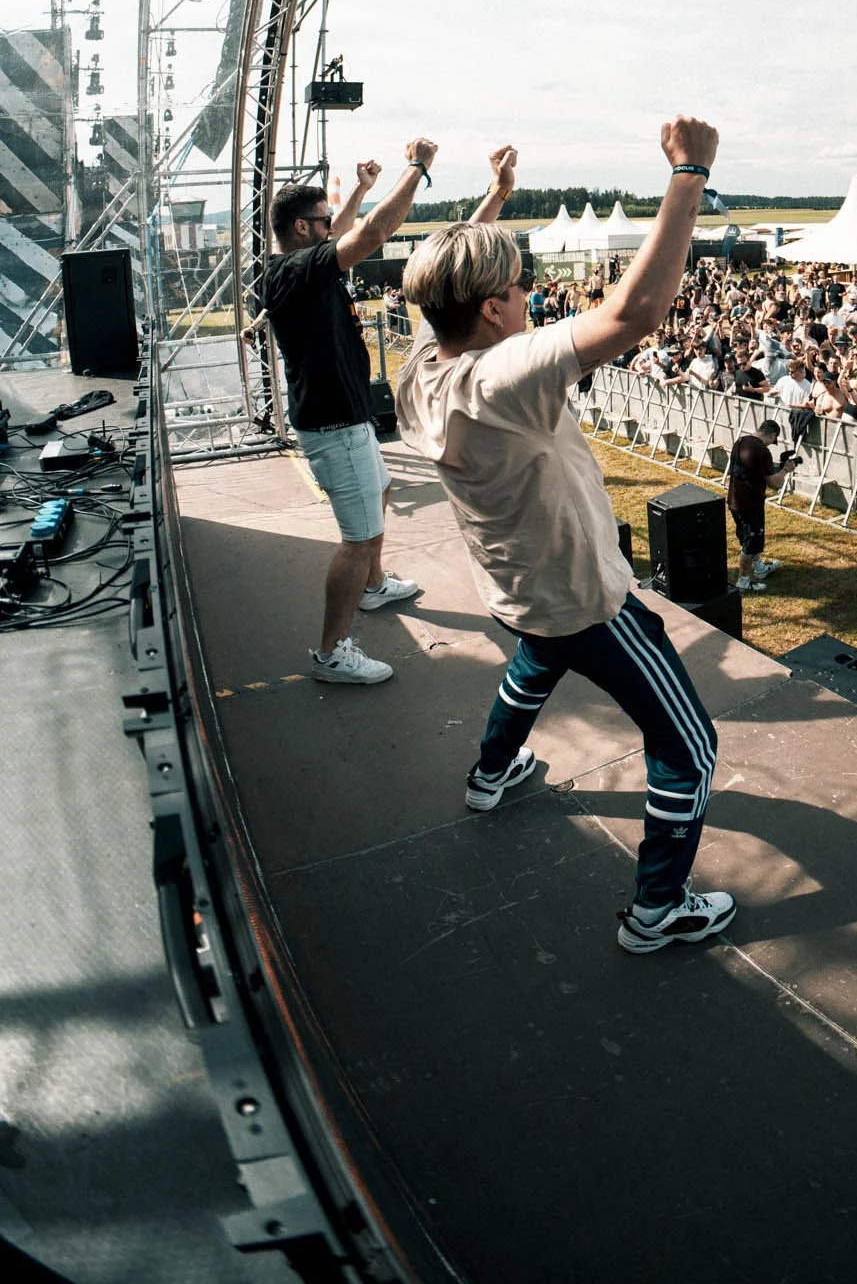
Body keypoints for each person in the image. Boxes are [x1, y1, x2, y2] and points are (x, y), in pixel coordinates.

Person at [395, 116, 735, 958]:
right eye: (520, 288)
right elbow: (635, 311)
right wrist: (689, 172)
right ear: (492, 308)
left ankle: (490, 775)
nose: (529, 296)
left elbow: (444, 289)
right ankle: (658, 909)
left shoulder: (421, 365)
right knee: (690, 748)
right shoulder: (501, 377)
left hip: (517, 590)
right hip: (587, 599)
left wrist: (497, 197)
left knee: (534, 665)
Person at [256, 139, 512, 685]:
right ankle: (332, 652)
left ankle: (373, 586)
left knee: (383, 490)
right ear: (301, 228)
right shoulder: (295, 272)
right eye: (323, 221)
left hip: (344, 420)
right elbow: (371, 234)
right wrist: (416, 169)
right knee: (356, 540)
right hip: (334, 426)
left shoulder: (300, 267)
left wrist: (362, 190)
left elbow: (346, 228)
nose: (332, 226)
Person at [727, 417, 797, 593]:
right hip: (750, 504)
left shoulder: (740, 442)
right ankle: (743, 580)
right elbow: (774, 483)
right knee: (751, 542)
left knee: (748, 537)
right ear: (772, 435)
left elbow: (750, 470)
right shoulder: (762, 451)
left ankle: (759, 567)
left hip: (735, 500)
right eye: (773, 440)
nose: (771, 444)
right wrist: (785, 470)